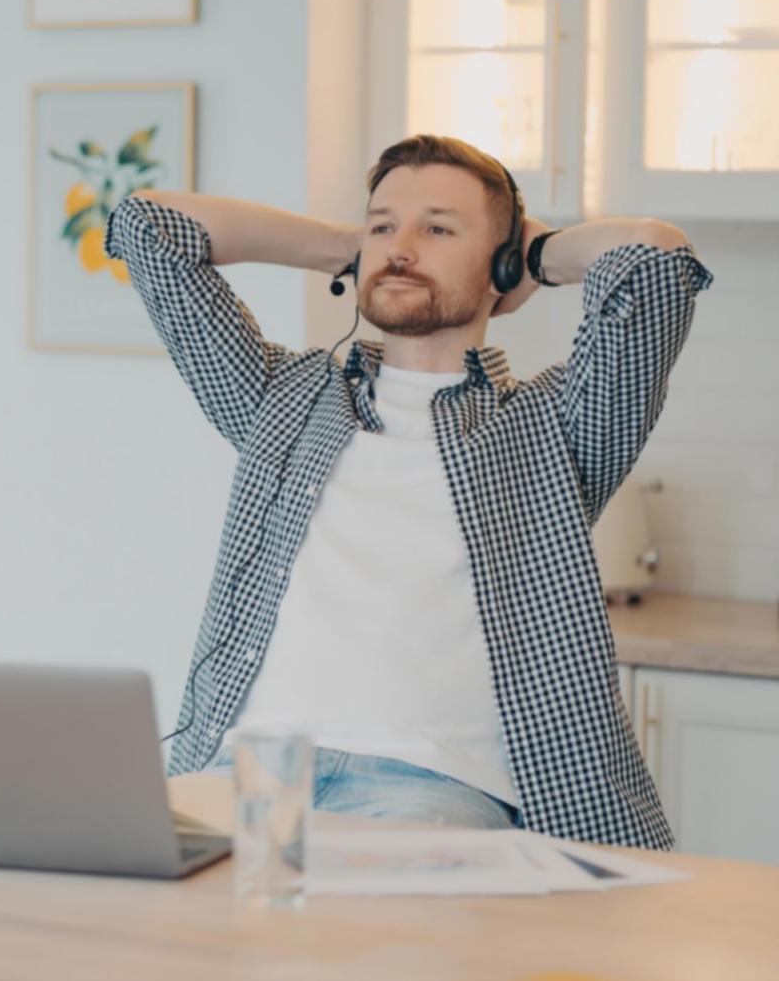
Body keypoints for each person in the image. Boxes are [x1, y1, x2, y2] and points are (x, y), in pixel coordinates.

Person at [103, 134, 713, 849]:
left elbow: (654, 258)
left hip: (429, 789)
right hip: (246, 772)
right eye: (383, 223)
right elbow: (147, 226)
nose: (401, 246)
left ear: (500, 264)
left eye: (438, 227)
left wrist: (536, 258)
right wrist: (346, 245)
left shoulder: (556, 426)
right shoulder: (285, 399)